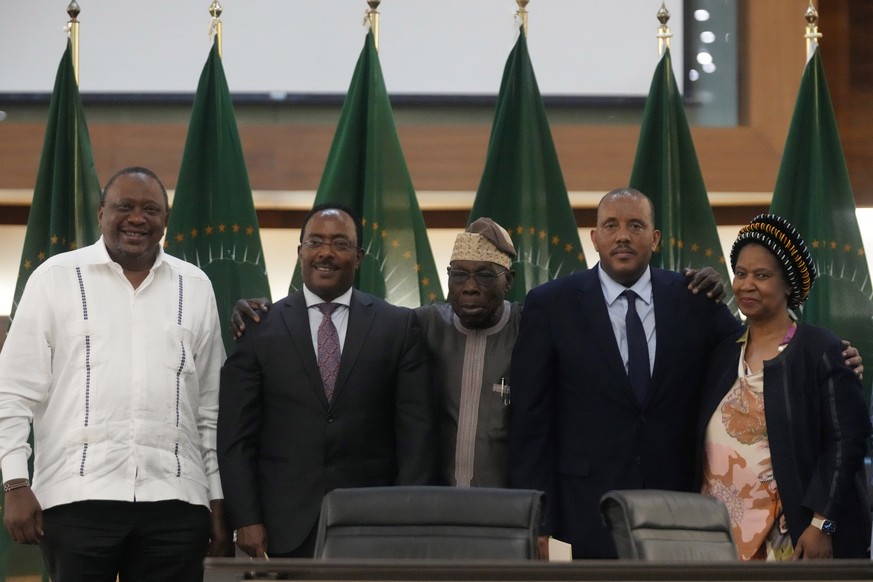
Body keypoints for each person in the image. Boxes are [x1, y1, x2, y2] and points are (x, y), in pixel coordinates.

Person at [231, 217, 728, 491]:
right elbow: (348, 323)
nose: (469, 288)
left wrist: (693, 284)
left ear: (508, 281)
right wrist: (259, 309)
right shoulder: (416, 325)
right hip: (432, 508)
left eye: (484, 276)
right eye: (459, 275)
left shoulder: (536, 328)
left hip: (510, 507)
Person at [507, 187, 864, 559]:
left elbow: (765, 346)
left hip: (683, 513)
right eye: (611, 225)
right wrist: (538, 521)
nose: (623, 235)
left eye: (636, 225)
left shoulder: (695, 299)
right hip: (583, 511)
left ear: (655, 238)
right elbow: (531, 423)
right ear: (595, 237)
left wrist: (840, 360)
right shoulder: (550, 305)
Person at [0, 167, 231, 581]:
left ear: (165, 219)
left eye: (151, 209)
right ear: (101, 211)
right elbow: (13, 392)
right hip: (76, 500)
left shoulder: (195, 286)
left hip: (176, 503)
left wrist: (215, 499)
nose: (138, 218)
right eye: (124, 206)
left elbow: (209, 410)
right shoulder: (55, 278)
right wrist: (15, 484)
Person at [217, 203, 435, 559]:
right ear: (300, 251)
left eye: (340, 243)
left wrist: (403, 517)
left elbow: (417, 436)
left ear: (359, 256)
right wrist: (246, 517)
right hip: (279, 528)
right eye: (315, 241)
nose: (326, 253)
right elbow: (234, 437)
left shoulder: (398, 327)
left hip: (372, 525)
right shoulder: (259, 329)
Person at [697, 214, 871, 560]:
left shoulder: (821, 350)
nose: (747, 285)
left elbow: (847, 445)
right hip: (717, 543)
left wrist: (824, 526)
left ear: (789, 284)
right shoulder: (721, 352)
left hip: (794, 543)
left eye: (762, 275)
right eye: (741, 273)